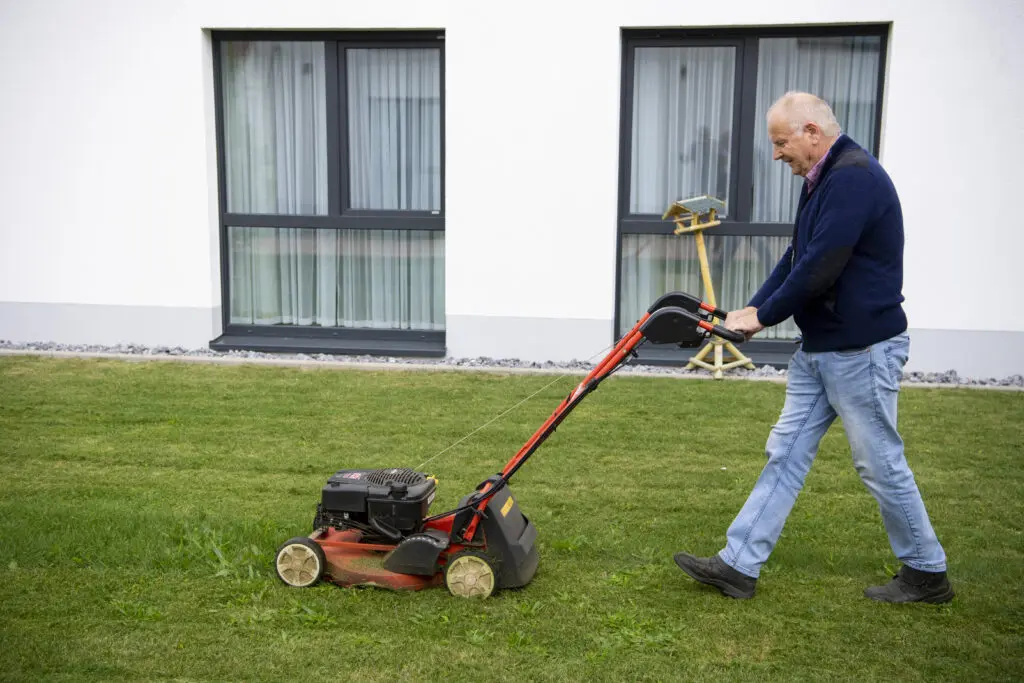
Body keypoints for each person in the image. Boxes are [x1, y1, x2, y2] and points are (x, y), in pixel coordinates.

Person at [672, 91, 954, 604]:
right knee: (786, 453)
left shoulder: (854, 178)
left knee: (879, 462)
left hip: (861, 350)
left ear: (811, 133)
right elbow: (795, 255)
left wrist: (763, 316)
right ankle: (739, 564)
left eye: (781, 142)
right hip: (821, 349)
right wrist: (750, 312)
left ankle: (926, 572)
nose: (776, 153)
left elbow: (823, 263)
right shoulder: (821, 178)